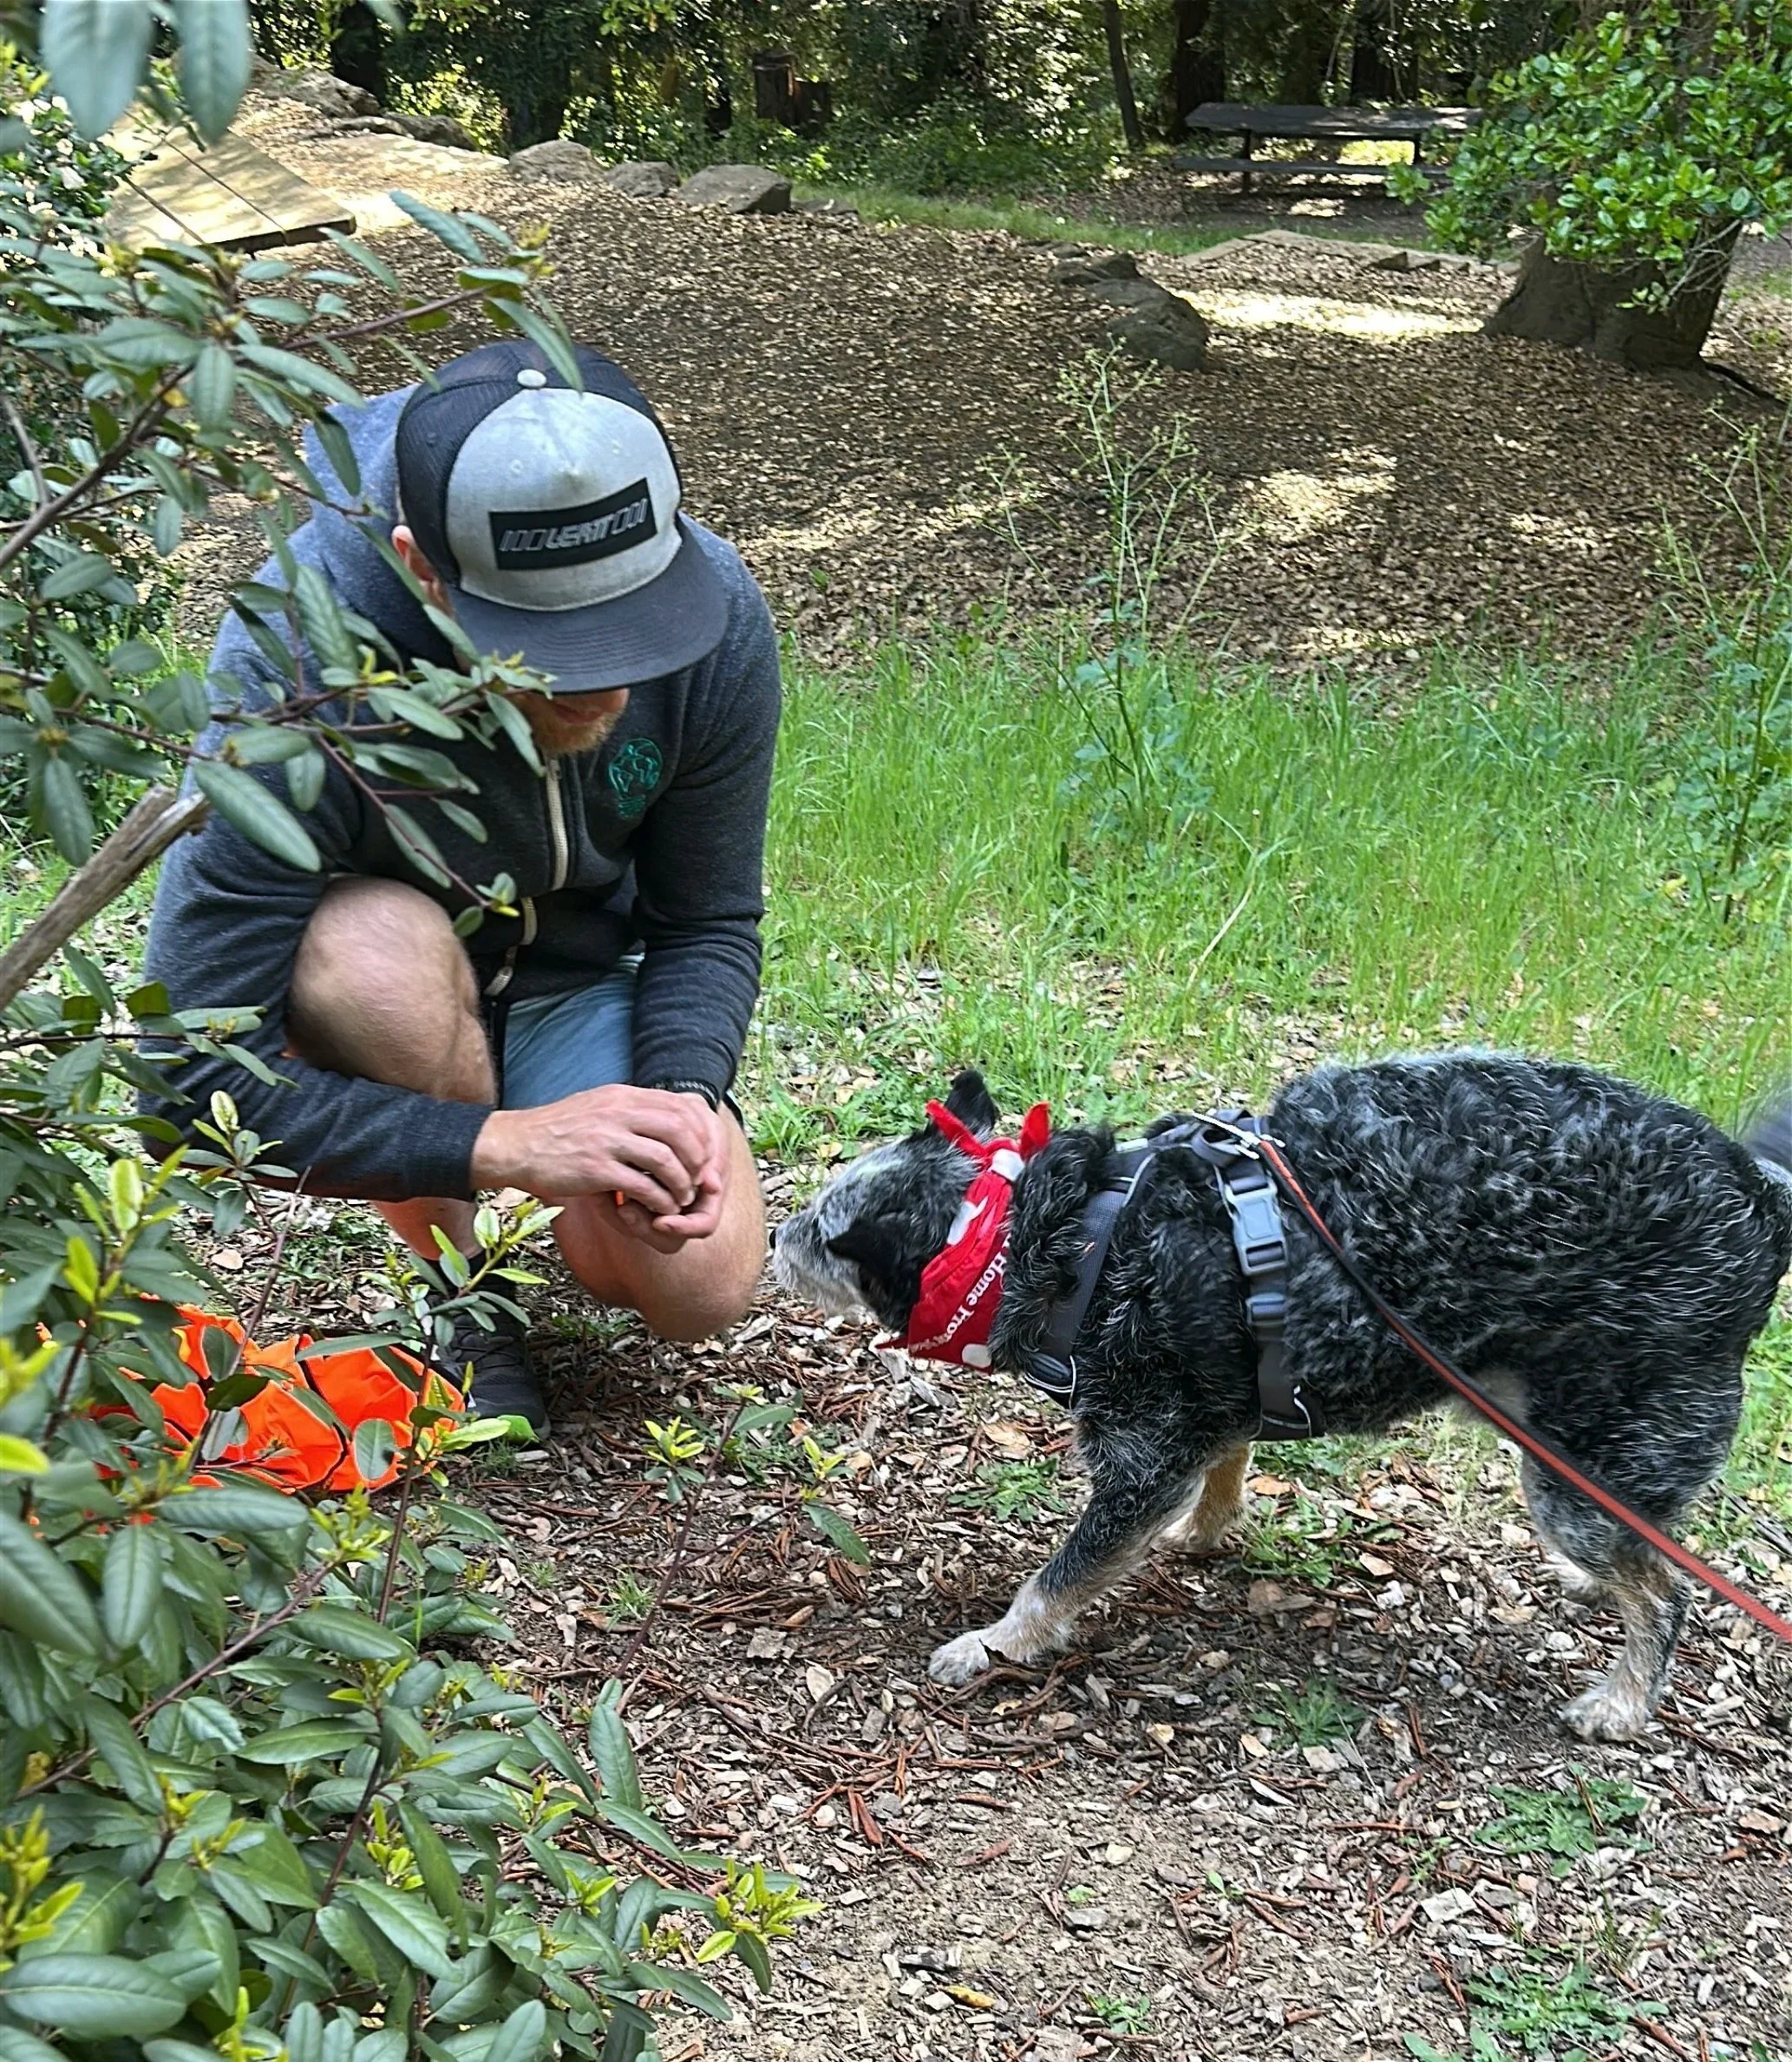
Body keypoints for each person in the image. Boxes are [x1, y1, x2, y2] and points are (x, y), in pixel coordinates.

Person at [143, 339, 781, 1434]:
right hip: (394, 984)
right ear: (422, 569)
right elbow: (184, 1080)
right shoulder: (297, 659)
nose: (610, 682)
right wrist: (501, 1147)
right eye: (553, 644)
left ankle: (558, 1188)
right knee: (371, 963)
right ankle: (461, 1288)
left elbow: (707, 918)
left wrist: (679, 1096)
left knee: (701, 1283)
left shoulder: (717, 612)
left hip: (576, 976)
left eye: (634, 628)